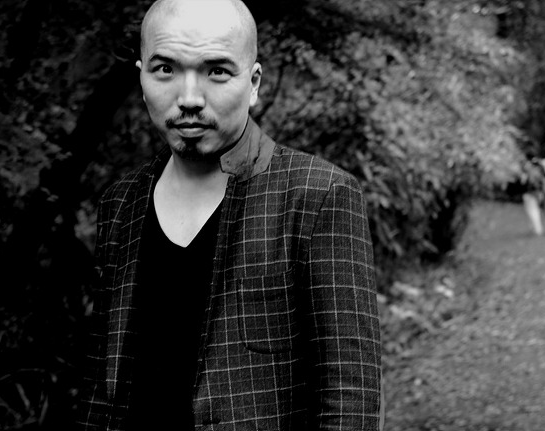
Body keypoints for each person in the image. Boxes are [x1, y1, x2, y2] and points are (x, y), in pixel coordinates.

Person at [75, 0, 382, 430]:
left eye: (216, 71)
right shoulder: (120, 203)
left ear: (253, 83)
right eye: (165, 69)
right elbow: (100, 389)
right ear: (142, 78)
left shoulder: (318, 195)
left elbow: (351, 402)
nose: (189, 98)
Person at [518, 157, 545, 236]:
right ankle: (534, 229)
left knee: (533, 212)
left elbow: (524, 184)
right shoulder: (539, 173)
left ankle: (537, 230)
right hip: (538, 194)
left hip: (531, 194)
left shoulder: (529, 173)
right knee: (535, 211)